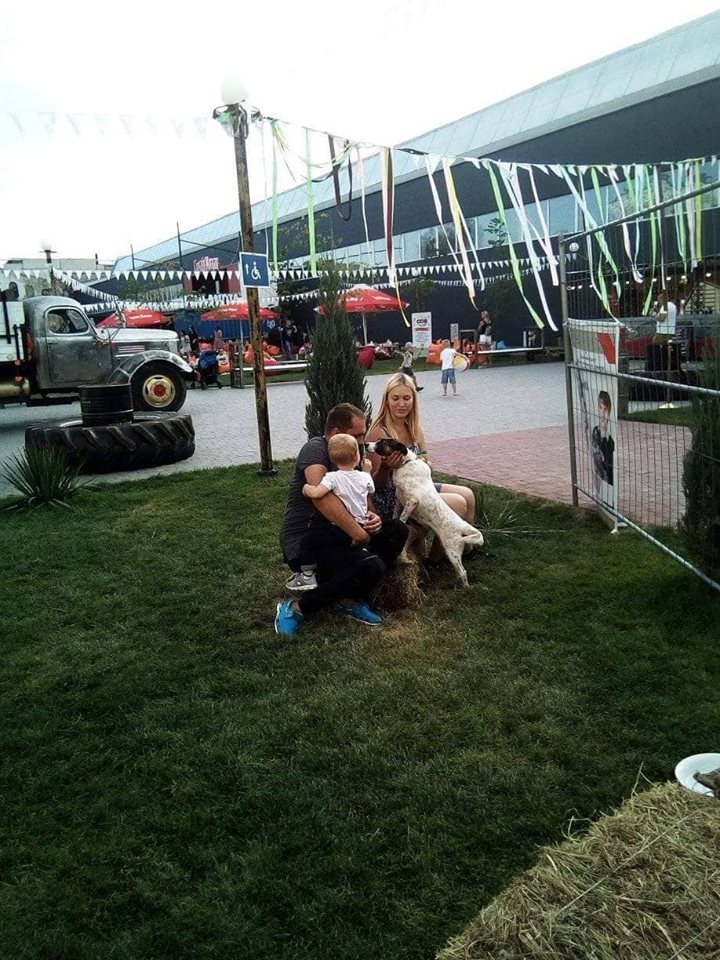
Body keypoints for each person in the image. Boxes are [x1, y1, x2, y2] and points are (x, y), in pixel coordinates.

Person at [276, 403, 409, 636]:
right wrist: (358, 532)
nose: (362, 441)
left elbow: (363, 494)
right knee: (370, 564)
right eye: (357, 435)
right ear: (336, 433)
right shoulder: (315, 449)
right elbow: (320, 496)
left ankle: (347, 598)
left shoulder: (351, 453)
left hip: (340, 535)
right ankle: (297, 608)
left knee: (397, 530)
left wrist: (373, 517)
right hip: (307, 542)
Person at [366, 373, 476, 527]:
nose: (401, 404)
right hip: (394, 497)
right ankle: (445, 544)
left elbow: (426, 460)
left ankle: (467, 542)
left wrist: (426, 463)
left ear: (414, 399)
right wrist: (386, 467)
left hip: (418, 486)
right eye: (395, 398)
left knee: (468, 494)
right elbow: (374, 485)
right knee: (458, 503)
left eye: (407, 398)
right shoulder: (379, 432)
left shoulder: (414, 428)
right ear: (386, 400)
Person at [288, 433, 375, 592]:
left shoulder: (332, 477)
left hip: (342, 528)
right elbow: (371, 489)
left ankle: (307, 576)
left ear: (332, 459)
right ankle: (359, 552)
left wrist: (306, 489)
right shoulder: (364, 477)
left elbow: (317, 493)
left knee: (308, 541)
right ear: (356, 456)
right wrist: (367, 471)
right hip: (362, 524)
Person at [591, 390, 615, 486]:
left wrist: (604, 435)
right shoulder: (595, 432)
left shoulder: (610, 441)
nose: (602, 414)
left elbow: (609, 468)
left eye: (605, 409)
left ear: (609, 412)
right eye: (600, 408)